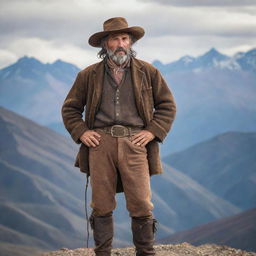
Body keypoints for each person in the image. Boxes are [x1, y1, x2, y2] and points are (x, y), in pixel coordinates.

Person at [61, 17, 176, 256]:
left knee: (142, 203)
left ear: (131, 42)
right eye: (115, 39)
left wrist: (152, 131)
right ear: (105, 44)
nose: (121, 43)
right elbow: (70, 109)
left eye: (125, 38)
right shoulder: (88, 75)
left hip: (135, 144)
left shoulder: (148, 72)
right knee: (101, 204)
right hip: (100, 144)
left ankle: (146, 253)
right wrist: (82, 132)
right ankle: (103, 253)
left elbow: (167, 106)